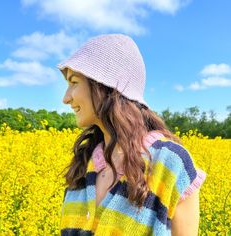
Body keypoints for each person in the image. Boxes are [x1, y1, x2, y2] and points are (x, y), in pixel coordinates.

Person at [57, 34, 207, 236]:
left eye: (74, 82)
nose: (66, 98)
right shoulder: (84, 163)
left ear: (104, 85)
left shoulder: (171, 165)